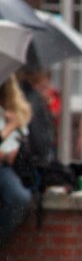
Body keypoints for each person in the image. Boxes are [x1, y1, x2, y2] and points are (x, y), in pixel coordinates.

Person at [0, 75, 33, 247]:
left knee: (21, 198)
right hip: (3, 165)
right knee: (18, 197)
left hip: (14, 166)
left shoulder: (13, 109)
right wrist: (10, 126)